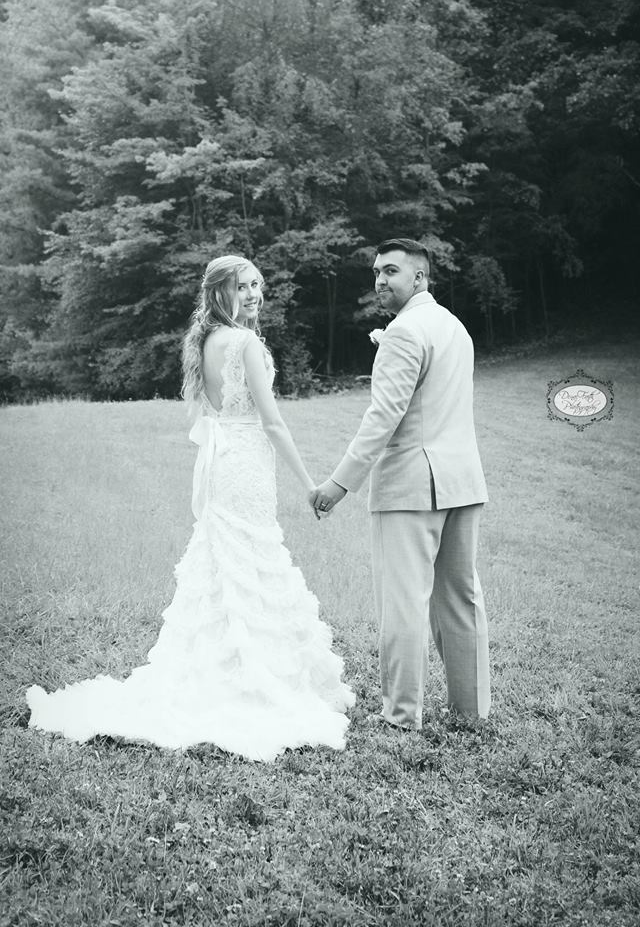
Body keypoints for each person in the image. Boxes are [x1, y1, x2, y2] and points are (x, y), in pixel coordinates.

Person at [27, 255, 354, 760]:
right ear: (219, 293)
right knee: (250, 557)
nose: (253, 294)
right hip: (244, 462)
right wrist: (311, 484)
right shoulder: (244, 343)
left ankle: (223, 666)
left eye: (256, 285)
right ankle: (252, 677)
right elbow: (272, 422)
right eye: (241, 287)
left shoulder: (205, 340)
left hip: (227, 462)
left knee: (228, 558)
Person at [310, 238, 490, 730]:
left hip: (412, 486)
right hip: (463, 481)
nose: (379, 280)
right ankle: (471, 710)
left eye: (390, 271)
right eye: (376, 272)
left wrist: (339, 483)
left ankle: (402, 714)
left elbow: (383, 417)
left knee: (404, 602)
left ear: (419, 277)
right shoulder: (453, 326)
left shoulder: (404, 331)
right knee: (461, 598)